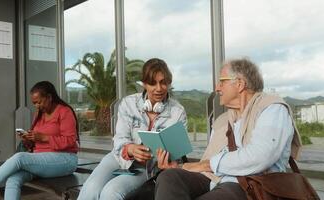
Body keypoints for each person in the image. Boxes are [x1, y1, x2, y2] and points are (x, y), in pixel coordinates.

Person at [154, 58, 302, 200]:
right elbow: (206, 164)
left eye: (221, 82)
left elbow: (261, 156)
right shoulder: (222, 121)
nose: (217, 88)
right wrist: (179, 167)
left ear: (239, 84)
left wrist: (205, 164)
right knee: (170, 177)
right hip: (215, 178)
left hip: (251, 183)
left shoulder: (272, 108)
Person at [77, 58, 187, 200]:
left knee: (111, 193)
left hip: (148, 167)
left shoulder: (178, 112)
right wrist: (129, 149)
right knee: (91, 189)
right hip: (118, 158)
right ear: (144, 84)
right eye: (153, 83)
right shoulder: (129, 103)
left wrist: (165, 160)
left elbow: (177, 153)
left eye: (163, 82)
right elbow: (120, 138)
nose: (159, 88)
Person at [0, 81, 79, 200]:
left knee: (19, 158)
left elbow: (70, 141)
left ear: (49, 97)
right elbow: (36, 142)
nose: (37, 106)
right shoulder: (39, 114)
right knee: (13, 179)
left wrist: (44, 137)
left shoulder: (64, 111)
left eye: (39, 102)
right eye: (34, 103)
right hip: (41, 161)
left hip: (65, 159)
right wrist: (28, 140)